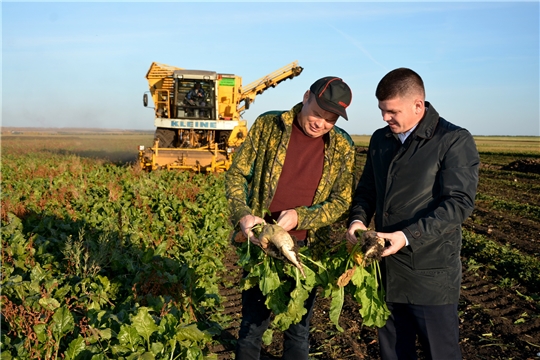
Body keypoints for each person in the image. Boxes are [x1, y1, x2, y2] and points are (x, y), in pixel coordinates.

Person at [346, 68, 479, 360]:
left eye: (392, 111)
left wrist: (407, 236)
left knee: (439, 353)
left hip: (430, 275)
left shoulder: (453, 140)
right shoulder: (381, 140)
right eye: (382, 110)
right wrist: (357, 220)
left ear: (418, 105)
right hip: (386, 273)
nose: (385, 118)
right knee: (393, 352)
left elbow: (458, 203)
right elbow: (367, 190)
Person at [225, 76, 356, 360]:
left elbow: (341, 201)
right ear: (306, 96)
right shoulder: (269, 125)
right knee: (252, 327)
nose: (320, 123)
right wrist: (243, 215)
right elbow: (237, 174)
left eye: (330, 120)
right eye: (318, 113)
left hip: (305, 253)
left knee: (298, 330)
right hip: (263, 247)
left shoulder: (342, 146)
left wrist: (301, 217)